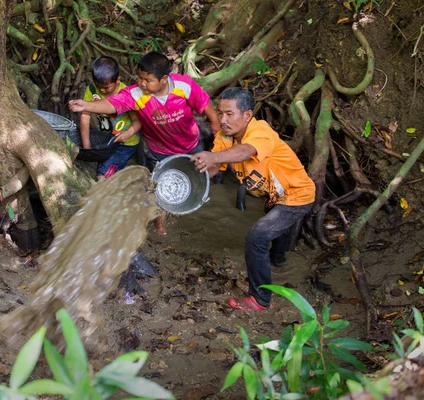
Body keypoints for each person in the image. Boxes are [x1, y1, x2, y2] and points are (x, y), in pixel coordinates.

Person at [191, 87, 315, 311]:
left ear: (247, 115)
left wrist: (213, 156)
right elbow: (213, 167)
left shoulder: (260, 131)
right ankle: (279, 264)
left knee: (257, 237)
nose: (223, 119)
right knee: (276, 230)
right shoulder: (224, 136)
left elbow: (246, 151)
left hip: (297, 194)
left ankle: (260, 300)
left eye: (230, 114)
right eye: (220, 113)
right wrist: (190, 177)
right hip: (275, 195)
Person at [69, 51, 221, 234]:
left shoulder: (184, 85)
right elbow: (112, 104)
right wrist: (86, 105)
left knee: (197, 178)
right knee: (157, 188)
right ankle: (161, 227)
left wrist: (215, 127)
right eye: (139, 78)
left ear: (164, 79)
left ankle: (188, 208)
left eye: (147, 80)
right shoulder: (136, 94)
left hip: (191, 144)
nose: (142, 83)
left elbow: (206, 106)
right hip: (159, 150)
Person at [76, 56, 142, 179]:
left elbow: (137, 122)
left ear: (118, 80)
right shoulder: (92, 89)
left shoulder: (126, 94)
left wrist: (127, 134)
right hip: (107, 140)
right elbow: (85, 115)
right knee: (102, 167)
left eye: (106, 88)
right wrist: (86, 146)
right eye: (98, 86)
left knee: (103, 174)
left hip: (127, 142)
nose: (102, 90)